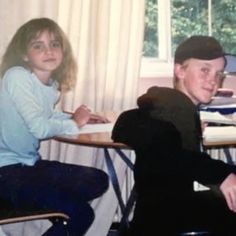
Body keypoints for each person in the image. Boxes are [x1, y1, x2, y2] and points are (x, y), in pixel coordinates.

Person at [112, 36, 236, 235]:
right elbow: (168, 151)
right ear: (180, 70)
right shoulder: (173, 108)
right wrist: (222, 174)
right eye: (204, 70)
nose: (213, 80)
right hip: (171, 218)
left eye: (219, 73)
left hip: (165, 211)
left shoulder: (173, 105)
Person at [0, 17, 109, 236]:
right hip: (6, 172)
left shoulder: (51, 86)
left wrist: (79, 118)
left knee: (98, 180)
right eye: (38, 46)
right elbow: (40, 128)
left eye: (54, 44)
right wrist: (74, 123)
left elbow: (45, 115)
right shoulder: (17, 77)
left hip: (27, 166)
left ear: (63, 51)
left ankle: (47, 198)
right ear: (24, 54)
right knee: (81, 213)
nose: (48, 51)